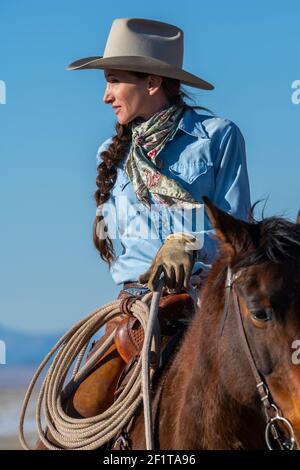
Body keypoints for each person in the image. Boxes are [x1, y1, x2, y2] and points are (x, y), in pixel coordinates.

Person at [66, 17, 251, 417]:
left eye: (114, 81)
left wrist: (187, 242)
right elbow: (124, 250)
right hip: (134, 312)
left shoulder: (219, 136)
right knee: (74, 415)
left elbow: (241, 235)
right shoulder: (108, 155)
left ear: (151, 83)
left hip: (207, 308)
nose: (106, 96)